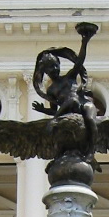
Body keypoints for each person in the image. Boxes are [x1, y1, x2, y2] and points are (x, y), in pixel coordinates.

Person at [32, 23, 99, 160]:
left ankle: (91, 151)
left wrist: (84, 42)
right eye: (50, 68)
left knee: (90, 121)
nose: (54, 69)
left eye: (55, 66)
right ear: (45, 71)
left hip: (82, 105)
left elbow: (79, 61)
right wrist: (44, 110)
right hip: (67, 109)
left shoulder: (69, 77)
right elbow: (55, 110)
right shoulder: (51, 90)